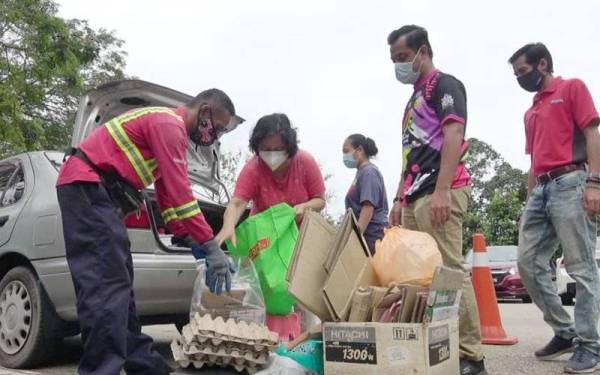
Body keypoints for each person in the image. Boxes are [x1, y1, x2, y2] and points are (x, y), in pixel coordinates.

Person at [56, 89, 243, 375]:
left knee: (118, 286)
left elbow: (169, 202)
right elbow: (182, 196)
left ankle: (145, 367)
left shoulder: (167, 131)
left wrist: (193, 240)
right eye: (216, 127)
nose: (214, 136)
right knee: (105, 289)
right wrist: (210, 244)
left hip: (97, 194)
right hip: (88, 187)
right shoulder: (169, 125)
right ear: (204, 111)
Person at [387, 25, 486, 375]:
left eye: (402, 57)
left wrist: (443, 189)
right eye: (394, 60)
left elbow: (453, 134)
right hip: (414, 196)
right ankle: (435, 346)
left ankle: (472, 355)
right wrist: (399, 198)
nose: (399, 65)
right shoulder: (412, 99)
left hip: (439, 191)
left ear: (423, 51)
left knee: (449, 273)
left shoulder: (444, 85)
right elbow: (409, 153)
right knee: (421, 277)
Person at [510, 43, 600, 373]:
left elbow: (593, 132)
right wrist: (529, 202)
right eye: (516, 74)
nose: (520, 78)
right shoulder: (531, 112)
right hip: (542, 189)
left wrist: (595, 182)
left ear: (542, 64)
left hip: (572, 180)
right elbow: (534, 162)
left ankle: (590, 344)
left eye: (523, 71)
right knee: (528, 262)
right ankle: (565, 332)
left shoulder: (571, 88)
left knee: (580, 265)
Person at [215, 113, 326, 246]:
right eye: (266, 150)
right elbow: (237, 203)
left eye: (278, 149)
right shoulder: (253, 168)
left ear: (289, 147)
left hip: (300, 239)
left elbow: (320, 201)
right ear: (257, 148)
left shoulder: (305, 162)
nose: (272, 155)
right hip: (265, 240)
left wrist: (304, 207)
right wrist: (228, 226)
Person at [342, 134, 389, 254]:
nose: (344, 156)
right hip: (366, 236)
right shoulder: (361, 173)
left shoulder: (368, 172)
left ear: (359, 150)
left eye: (346, 151)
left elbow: (368, 207)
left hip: (372, 237)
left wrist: (356, 237)